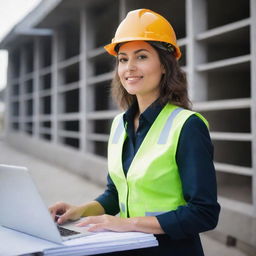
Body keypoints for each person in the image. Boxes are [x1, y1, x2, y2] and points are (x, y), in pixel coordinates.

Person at [49, 9, 220, 256]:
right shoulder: (120, 124)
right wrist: (80, 210)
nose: (129, 67)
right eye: (122, 59)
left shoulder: (187, 125)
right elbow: (116, 193)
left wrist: (124, 224)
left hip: (171, 250)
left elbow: (204, 213)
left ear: (165, 64)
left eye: (141, 56)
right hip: (127, 247)